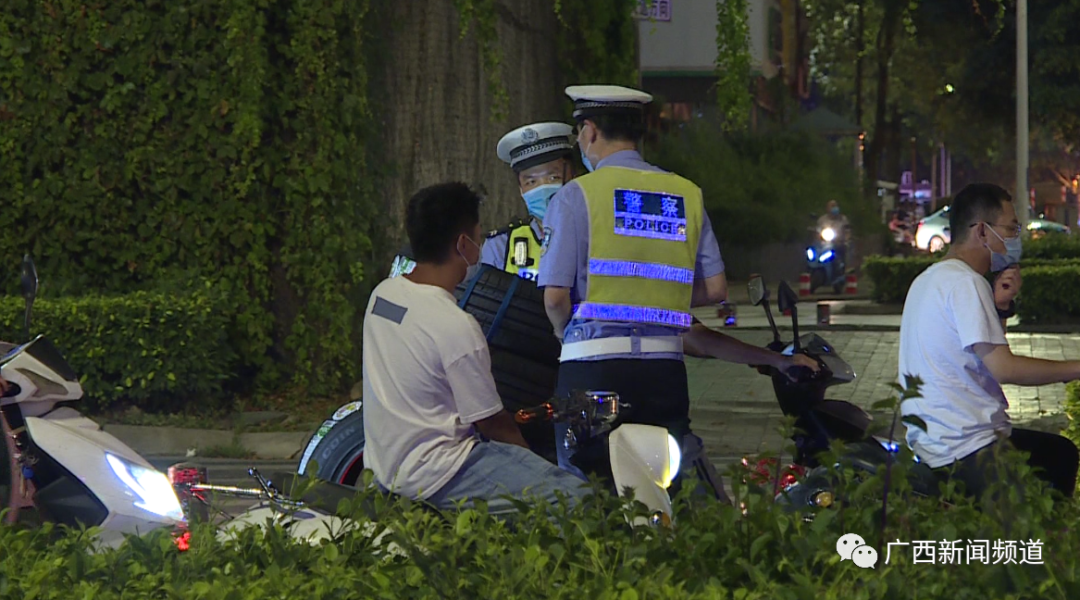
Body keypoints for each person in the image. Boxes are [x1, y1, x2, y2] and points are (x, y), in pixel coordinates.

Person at [537, 84, 817, 494]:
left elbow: (555, 297)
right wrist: (659, 298)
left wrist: (567, 334)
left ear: (590, 131)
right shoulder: (686, 194)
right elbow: (716, 289)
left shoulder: (574, 197)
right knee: (664, 486)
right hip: (663, 376)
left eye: (579, 132)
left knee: (588, 489)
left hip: (592, 373)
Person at [362, 182, 587, 513]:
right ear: (463, 244)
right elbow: (492, 423)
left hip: (385, 466)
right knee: (578, 501)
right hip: (441, 471)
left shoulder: (382, 296)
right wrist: (531, 463)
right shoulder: (455, 325)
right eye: (478, 237)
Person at [898, 182, 1080, 498]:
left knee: (1059, 453)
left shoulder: (930, 279)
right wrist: (1075, 368)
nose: (1014, 239)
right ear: (982, 231)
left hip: (935, 441)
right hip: (967, 446)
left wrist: (1001, 306)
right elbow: (1004, 368)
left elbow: (979, 353)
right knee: (1039, 498)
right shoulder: (967, 283)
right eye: (1011, 229)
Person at [481, 123, 576, 282]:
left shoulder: (594, 236)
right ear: (521, 190)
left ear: (573, 177)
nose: (542, 188)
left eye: (553, 177)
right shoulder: (501, 245)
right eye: (531, 182)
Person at [817, 200, 851, 264]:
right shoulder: (822, 220)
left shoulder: (843, 219)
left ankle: (842, 265)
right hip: (824, 244)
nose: (834, 208)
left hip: (839, 243)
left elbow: (847, 231)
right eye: (832, 206)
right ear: (827, 208)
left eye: (835, 206)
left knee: (843, 251)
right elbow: (818, 231)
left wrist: (846, 240)